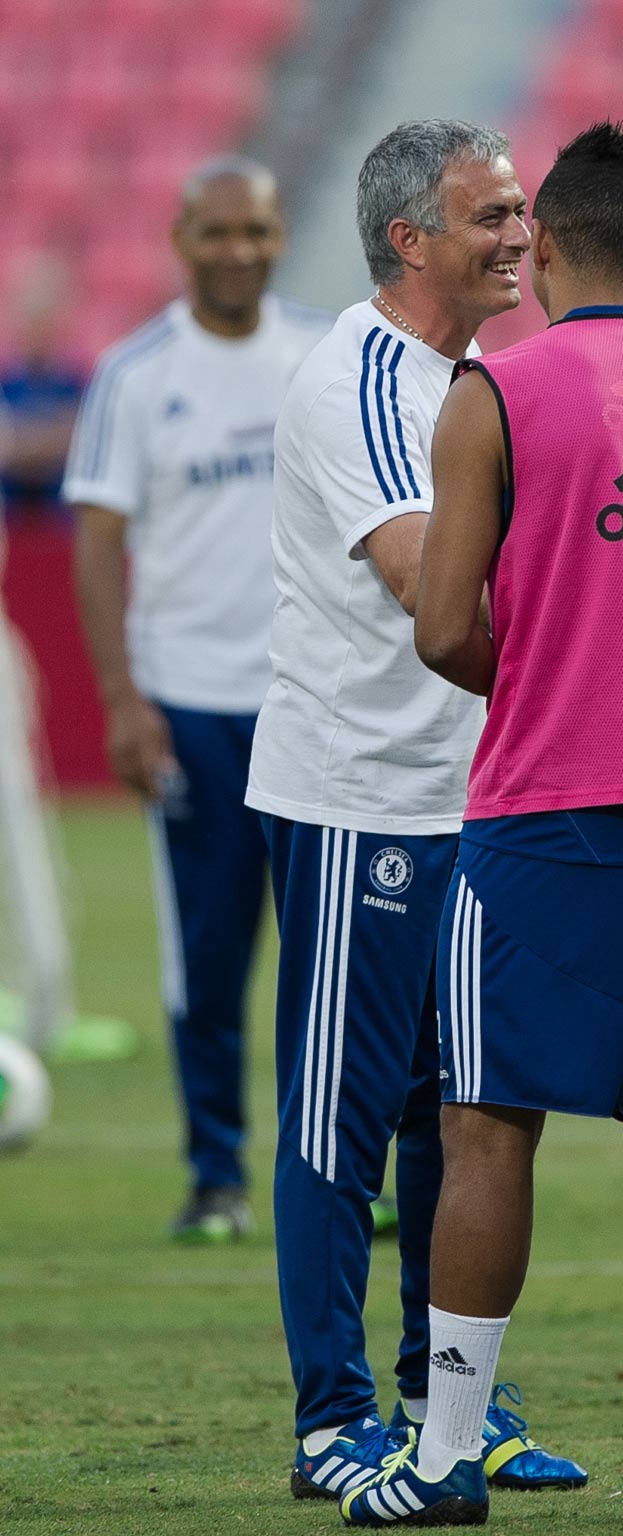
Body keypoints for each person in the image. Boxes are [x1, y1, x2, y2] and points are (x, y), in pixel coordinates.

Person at [338, 119, 623, 1529]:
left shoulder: (496, 393)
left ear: (539, 257)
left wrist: (532, 676)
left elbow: (443, 621)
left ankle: (444, 1459)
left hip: (546, 814)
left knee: (485, 1130)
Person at [246, 120, 579, 1501]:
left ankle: (453, 1404)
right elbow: (420, 581)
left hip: (470, 795)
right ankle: (334, 1421)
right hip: (360, 799)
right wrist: (588, 677)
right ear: (411, 240)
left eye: (522, 212)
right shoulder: (363, 380)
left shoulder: (467, 374)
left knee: (471, 1112)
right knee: (341, 1119)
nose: (522, 235)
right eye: (494, 216)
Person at [66, 157, 330, 1241]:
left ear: (278, 237)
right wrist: (125, 703)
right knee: (211, 955)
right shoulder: (137, 375)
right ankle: (217, 1174)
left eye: (257, 233)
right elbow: (96, 542)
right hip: (193, 709)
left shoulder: (324, 356)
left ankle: (335, 1172)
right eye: (217, 232)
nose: (238, 252)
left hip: (315, 703)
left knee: (338, 958)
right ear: (181, 238)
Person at [3, 255, 88, 520]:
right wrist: (54, 435)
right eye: (32, 318)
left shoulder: (77, 383)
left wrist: (20, 439)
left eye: (45, 319)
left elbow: (81, 440)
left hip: (61, 519)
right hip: (9, 516)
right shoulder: (6, 383)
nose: (38, 329)